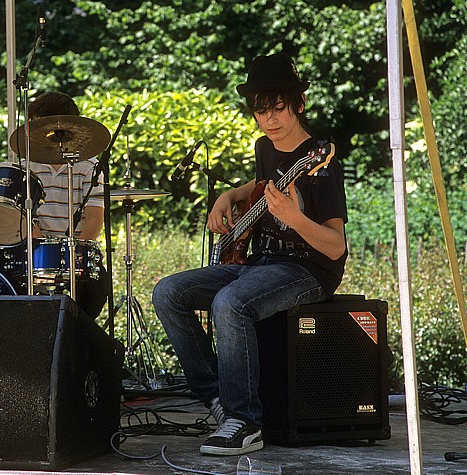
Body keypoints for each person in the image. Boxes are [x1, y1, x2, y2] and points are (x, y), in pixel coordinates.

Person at [151, 53, 348, 456]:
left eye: (279, 109)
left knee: (230, 303)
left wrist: (294, 218)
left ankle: (245, 422)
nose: (271, 120)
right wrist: (229, 195)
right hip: (259, 264)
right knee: (168, 292)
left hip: (308, 269)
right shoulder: (266, 147)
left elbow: (336, 246)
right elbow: (262, 184)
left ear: (299, 104)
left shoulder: (322, 163)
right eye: (262, 112)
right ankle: (218, 401)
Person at [25, 91, 108, 319]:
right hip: (34, 252)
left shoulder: (88, 167)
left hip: (76, 254)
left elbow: (94, 218)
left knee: (97, 286)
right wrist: (43, 249)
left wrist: (73, 255)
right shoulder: (26, 166)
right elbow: (23, 217)